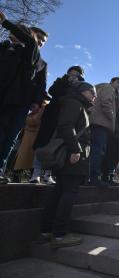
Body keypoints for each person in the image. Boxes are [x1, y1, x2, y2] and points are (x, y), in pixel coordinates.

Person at [41, 81, 95, 248]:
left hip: (70, 153)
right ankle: (59, 234)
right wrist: (76, 149)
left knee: (59, 191)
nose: (94, 96)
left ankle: (48, 231)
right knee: (68, 192)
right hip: (72, 154)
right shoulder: (74, 103)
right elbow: (66, 126)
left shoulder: (79, 105)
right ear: (82, 91)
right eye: (91, 92)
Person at [0, 12, 43, 184]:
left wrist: (6, 22)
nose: (14, 34)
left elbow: (32, 41)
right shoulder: (3, 48)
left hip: (20, 102)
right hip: (3, 100)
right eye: (14, 31)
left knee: (10, 138)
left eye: (19, 32)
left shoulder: (30, 53)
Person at [88, 77, 119, 187]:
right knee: (98, 151)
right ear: (112, 82)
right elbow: (106, 103)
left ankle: (88, 177)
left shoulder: (100, 88)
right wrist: (112, 118)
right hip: (101, 123)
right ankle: (93, 178)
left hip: (95, 123)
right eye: (118, 83)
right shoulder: (108, 88)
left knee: (94, 150)